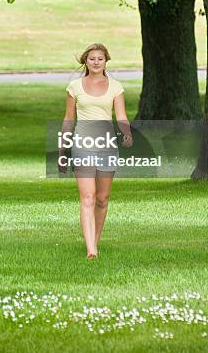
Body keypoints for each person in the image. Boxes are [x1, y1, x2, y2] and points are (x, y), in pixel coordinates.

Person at [60, 43, 133, 259]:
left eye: (100, 58)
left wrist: (126, 132)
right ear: (85, 61)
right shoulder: (74, 87)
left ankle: (95, 242)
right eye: (92, 58)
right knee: (88, 197)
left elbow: (120, 115)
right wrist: (62, 149)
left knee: (102, 198)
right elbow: (68, 119)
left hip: (107, 146)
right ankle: (90, 249)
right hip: (82, 145)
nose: (96, 62)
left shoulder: (115, 87)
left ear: (106, 61)